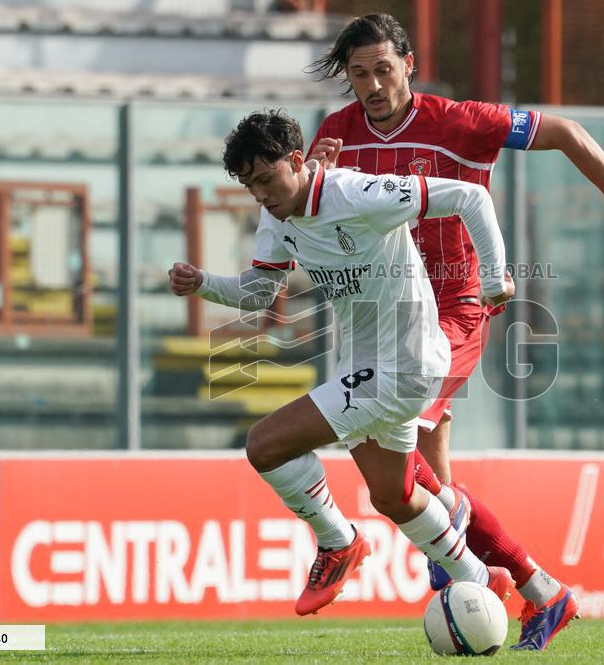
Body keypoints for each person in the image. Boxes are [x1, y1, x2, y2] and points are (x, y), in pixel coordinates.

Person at [305, 13, 604, 650]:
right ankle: (541, 591)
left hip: (455, 308)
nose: (371, 85)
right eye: (359, 74)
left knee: (393, 446)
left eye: (383, 70)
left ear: (409, 64)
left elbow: (569, 133)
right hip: (381, 318)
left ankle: (457, 543)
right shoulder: (335, 133)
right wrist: (314, 178)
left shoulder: (459, 121)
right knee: (419, 478)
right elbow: (312, 220)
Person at [169, 109, 517, 617]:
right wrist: (202, 282)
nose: (262, 195)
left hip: (405, 364)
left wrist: (493, 278)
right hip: (367, 366)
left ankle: (337, 542)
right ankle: (482, 579)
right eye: (251, 186)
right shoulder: (276, 216)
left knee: (265, 445)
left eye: (267, 180)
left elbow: (471, 196)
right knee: (395, 497)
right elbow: (260, 292)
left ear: (295, 160)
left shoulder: (356, 194)